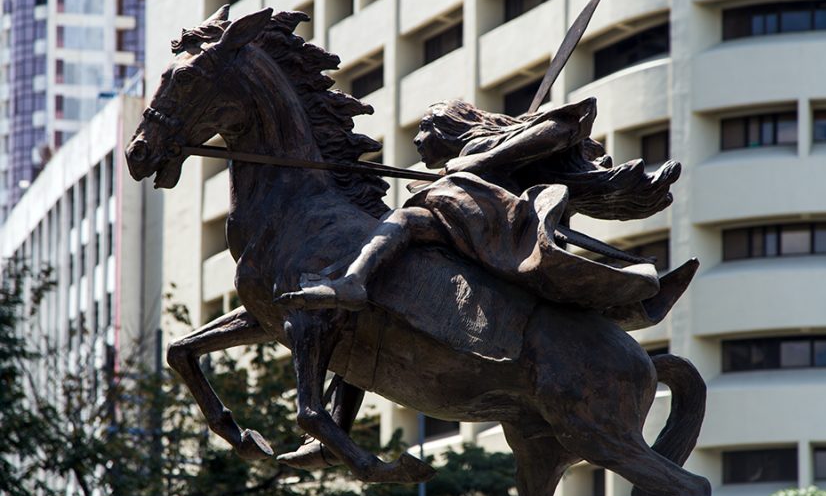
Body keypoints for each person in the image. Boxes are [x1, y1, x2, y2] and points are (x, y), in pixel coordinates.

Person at [276, 97, 696, 328]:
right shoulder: (464, 163)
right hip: (470, 234)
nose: (418, 140)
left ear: (449, 127)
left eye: (425, 127)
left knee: (402, 221)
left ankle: (352, 282)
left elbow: (565, 125)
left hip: (493, 232)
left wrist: (479, 160)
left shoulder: (479, 148)